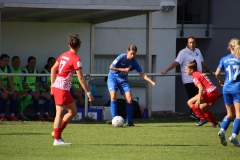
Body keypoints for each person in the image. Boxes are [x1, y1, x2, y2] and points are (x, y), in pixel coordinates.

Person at [51, 34, 94, 146]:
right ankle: (57, 139)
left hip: (60, 87)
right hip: (62, 88)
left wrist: (52, 84)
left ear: (69, 45)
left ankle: (57, 132)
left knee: (73, 111)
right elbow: (80, 78)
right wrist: (88, 93)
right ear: (79, 46)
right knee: (59, 114)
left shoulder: (63, 55)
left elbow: (53, 69)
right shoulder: (76, 59)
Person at [161, 36, 213, 121]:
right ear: (187, 43)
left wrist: (208, 70)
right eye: (190, 42)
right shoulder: (183, 52)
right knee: (192, 96)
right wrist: (166, 70)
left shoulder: (198, 51)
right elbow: (176, 63)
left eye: (193, 42)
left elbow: (202, 62)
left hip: (199, 78)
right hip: (189, 80)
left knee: (201, 96)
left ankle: (199, 115)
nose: (192, 44)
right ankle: (195, 114)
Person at [107, 45, 156, 126]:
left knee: (129, 99)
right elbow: (111, 67)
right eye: (131, 54)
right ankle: (114, 119)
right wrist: (123, 69)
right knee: (113, 96)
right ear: (127, 52)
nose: (132, 56)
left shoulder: (134, 62)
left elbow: (142, 74)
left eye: (134, 54)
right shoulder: (121, 57)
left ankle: (129, 122)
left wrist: (151, 81)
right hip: (113, 78)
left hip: (123, 80)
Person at [215, 38, 240, 147]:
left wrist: (221, 80)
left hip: (226, 88)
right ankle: (233, 136)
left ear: (230, 47)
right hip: (237, 88)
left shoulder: (224, 59)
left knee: (230, 114)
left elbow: (216, 73)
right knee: (238, 114)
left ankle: (222, 130)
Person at [186, 60, 220, 127]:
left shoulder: (195, 76)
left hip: (210, 93)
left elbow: (200, 88)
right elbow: (205, 86)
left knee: (190, 102)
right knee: (202, 108)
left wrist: (198, 100)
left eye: (186, 69)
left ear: (191, 70)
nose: (185, 71)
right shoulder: (200, 73)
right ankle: (215, 124)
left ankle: (202, 119)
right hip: (215, 92)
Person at [22, 56, 54, 120]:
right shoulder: (24, 71)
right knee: (36, 95)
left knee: (48, 96)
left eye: (34, 62)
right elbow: (24, 85)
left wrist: (38, 90)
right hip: (27, 90)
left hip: (35, 90)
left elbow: (36, 84)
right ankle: (38, 114)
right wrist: (33, 90)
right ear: (28, 62)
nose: (33, 64)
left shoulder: (36, 71)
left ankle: (46, 114)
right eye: (32, 62)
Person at [10, 56, 32, 121]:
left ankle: (19, 112)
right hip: (11, 91)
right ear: (12, 62)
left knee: (28, 96)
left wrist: (22, 91)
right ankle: (19, 114)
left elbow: (20, 83)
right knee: (20, 97)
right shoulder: (9, 70)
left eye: (19, 62)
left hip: (19, 90)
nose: (18, 63)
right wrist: (18, 92)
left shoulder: (20, 71)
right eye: (16, 62)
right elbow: (9, 83)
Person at [0, 54, 18, 121]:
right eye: (5, 61)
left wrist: (12, 90)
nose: (6, 62)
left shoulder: (8, 68)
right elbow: (0, 82)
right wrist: (6, 91)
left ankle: (12, 115)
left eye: (7, 61)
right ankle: (1, 115)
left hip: (4, 89)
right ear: (0, 60)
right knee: (5, 95)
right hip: (2, 89)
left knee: (14, 95)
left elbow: (10, 79)